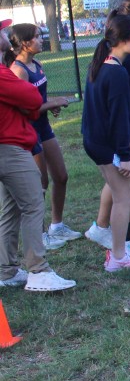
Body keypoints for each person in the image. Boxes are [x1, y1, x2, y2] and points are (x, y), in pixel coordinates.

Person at [0, 24, 76, 291]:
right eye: (1, 33)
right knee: (33, 204)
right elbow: (31, 97)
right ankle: (38, 271)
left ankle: (6, 270)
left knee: (10, 209)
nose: (5, 36)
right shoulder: (5, 72)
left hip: (10, 144)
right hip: (10, 147)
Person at [85, 0, 130, 254]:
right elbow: (122, 112)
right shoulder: (118, 68)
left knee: (124, 186)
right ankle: (124, 245)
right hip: (119, 136)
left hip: (109, 138)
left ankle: (110, 236)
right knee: (128, 189)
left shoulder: (113, 61)